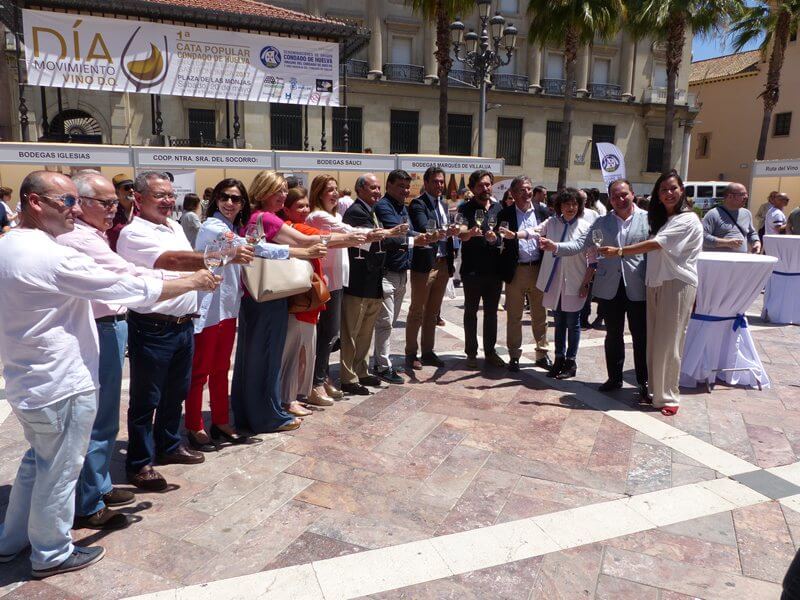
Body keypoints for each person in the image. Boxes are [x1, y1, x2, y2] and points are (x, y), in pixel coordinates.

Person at [0, 171, 217, 578]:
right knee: (59, 471)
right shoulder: (50, 254)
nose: (76, 210)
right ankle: (51, 553)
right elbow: (122, 285)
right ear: (34, 202)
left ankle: (11, 540)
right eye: (66, 201)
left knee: (38, 463)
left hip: (30, 378)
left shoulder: (11, 243)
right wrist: (190, 280)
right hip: (59, 381)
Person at [117, 172, 250, 491]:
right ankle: (139, 462)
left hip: (182, 323)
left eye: (169, 195)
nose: (167, 201)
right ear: (139, 197)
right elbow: (171, 260)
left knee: (175, 392)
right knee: (145, 398)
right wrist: (219, 256)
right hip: (152, 325)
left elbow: (187, 260)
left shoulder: (174, 226)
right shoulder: (134, 233)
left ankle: (168, 445)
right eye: (159, 195)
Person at [57, 172, 159, 531]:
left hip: (110, 324)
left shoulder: (93, 234)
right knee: (98, 419)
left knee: (104, 415)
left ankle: (98, 486)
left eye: (117, 201)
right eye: (107, 202)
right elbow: (124, 274)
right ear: (81, 203)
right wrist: (183, 279)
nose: (115, 208)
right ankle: (88, 503)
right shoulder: (82, 239)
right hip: (101, 327)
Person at [186, 179, 285, 451]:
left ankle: (220, 420)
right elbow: (251, 249)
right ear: (216, 199)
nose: (230, 203)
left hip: (227, 309)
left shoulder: (231, 227)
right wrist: (295, 251)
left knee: (220, 369)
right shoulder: (213, 227)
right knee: (200, 372)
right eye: (225, 197)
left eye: (236, 199)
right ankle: (194, 425)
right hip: (208, 311)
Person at [599, 170, 703, 416]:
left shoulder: (687, 219)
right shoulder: (663, 219)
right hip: (655, 284)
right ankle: (656, 391)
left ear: (682, 191)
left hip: (676, 284)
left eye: (673, 188)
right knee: (655, 342)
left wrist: (620, 251)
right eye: (663, 189)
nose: (668, 193)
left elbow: (657, 244)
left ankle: (669, 396)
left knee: (669, 342)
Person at [232, 171, 326, 434]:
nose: (283, 195)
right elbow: (305, 242)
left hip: (255, 295)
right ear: (263, 192)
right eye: (278, 191)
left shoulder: (253, 217)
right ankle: (269, 416)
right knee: (267, 357)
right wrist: (352, 238)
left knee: (253, 356)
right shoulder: (267, 218)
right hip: (269, 296)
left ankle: (250, 412)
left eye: (285, 190)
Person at [542, 179, 650, 399]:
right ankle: (614, 378)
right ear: (608, 199)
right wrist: (556, 247)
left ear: (632, 194)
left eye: (624, 195)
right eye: (614, 196)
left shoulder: (648, 219)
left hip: (638, 286)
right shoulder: (602, 222)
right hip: (610, 287)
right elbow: (581, 244)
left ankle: (643, 381)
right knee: (613, 335)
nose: (620, 199)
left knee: (640, 336)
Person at [280, 186, 368, 408]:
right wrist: (366, 236)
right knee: (296, 351)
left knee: (306, 348)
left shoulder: (300, 226)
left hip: (309, 296)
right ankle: (293, 397)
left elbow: (331, 239)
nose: (304, 210)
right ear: (287, 209)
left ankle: (303, 392)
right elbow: (328, 238)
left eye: (306, 205)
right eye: (299, 206)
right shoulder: (294, 228)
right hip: (300, 297)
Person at [507, 188, 594, 378]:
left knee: (573, 323)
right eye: (566, 204)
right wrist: (515, 235)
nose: (570, 207)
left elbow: (580, 249)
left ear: (579, 206)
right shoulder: (553, 222)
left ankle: (571, 362)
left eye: (574, 204)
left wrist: (586, 283)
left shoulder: (586, 226)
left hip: (575, 281)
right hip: (555, 282)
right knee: (560, 322)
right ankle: (559, 359)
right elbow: (535, 231)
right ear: (559, 206)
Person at [306, 175, 371, 400]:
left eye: (336, 190)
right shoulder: (318, 216)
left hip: (336, 281)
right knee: (328, 334)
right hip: (326, 282)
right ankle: (316, 381)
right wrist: (382, 234)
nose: (335, 194)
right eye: (329, 190)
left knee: (330, 334)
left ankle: (321, 377)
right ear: (318, 193)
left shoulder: (333, 214)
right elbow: (347, 231)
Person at [341, 174, 399, 394]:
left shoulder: (372, 210)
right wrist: (403, 238)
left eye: (378, 188)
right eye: (373, 188)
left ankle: (361, 371)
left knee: (365, 331)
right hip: (358, 282)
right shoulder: (356, 212)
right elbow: (374, 240)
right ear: (360, 189)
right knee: (352, 332)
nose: (377, 191)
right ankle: (348, 377)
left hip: (373, 280)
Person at [496, 176, 551, 372]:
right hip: (516, 270)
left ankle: (542, 353)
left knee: (540, 314)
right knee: (514, 316)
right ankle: (514, 355)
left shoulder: (543, 211)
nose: (527, 193)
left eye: (529, 189)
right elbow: (498, 240)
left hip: (538, 268)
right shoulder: (505, 214)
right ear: (512, 193)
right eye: (522, 190)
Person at [373, 169, 423, 383]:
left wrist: (424, 236)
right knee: (385, 322)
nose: (405, 190)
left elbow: (409, 232)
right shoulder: (384, 206)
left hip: (402, 271)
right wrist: (417, 239)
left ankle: (379, 361)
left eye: (407, 186)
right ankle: (383, 366)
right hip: (387, 272)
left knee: (390, 321)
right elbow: (395, 234)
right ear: (389, 186)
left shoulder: (403, 206)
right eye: (401, 186)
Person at [405, 166, 458, 370]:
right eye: (435, 181)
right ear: (426, 183)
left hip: (444, 262)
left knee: (433, 312)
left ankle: (428, 351)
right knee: (417, 310)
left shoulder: (444, 205)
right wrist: (448, 231)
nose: (439, 185)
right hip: (425, 265)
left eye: (441, 182)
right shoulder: (418, 204)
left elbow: (446, 233)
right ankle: (411, 353)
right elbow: (423, 227)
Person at [457, 170, 503, 369]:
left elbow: (504, 234)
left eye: (488, 184)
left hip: (494, 269)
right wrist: (470, 233)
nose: (485, 188)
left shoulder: (499, 208)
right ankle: (471, 353)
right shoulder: (465, 208)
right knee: (471, 312)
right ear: (472, 188)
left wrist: (497, 239)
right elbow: (460, 234)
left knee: (491, 313)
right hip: (472, 270)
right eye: (481, 185)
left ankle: (491, 352)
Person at [702, 183, 761, 253]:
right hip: (719, 261)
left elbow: (751, 233)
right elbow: (702, 237)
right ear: (730, 196)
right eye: (742, 194)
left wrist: (756, 242)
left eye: (746, 194)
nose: (746, 197)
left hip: (741, 260)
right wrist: (726, 242)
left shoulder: (747, 213)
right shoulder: (713, 214)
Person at [107, 173, 136, 251]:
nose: (131, 190)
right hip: (117, 258)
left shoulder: (144, 209)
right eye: (126, 188)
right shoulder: (110, 212)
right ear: (117, 192)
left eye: (132, 187)